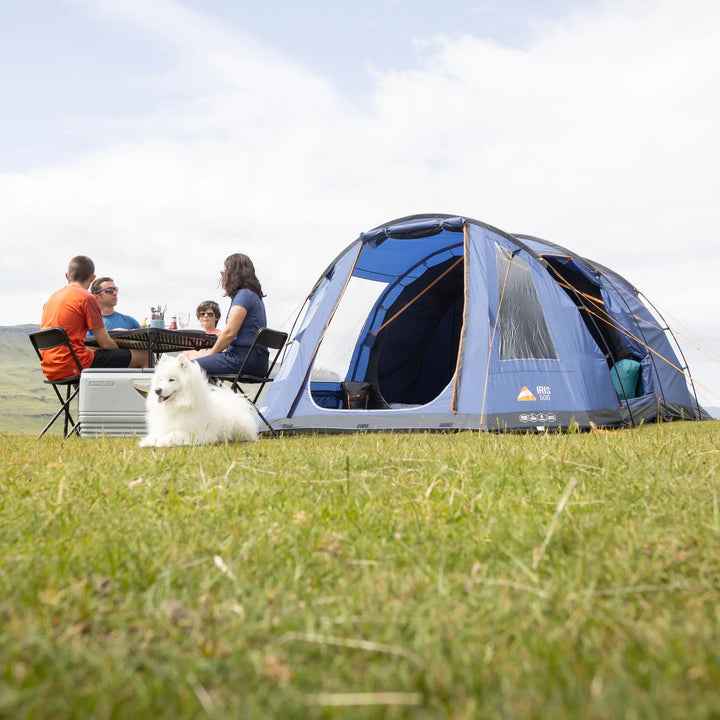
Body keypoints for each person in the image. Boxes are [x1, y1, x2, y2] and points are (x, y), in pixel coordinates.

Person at [40, 256, 148, 381]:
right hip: (75, 364)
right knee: (144, 356)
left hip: (50, 368)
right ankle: (139, 400)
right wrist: (124, 350)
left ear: (67, 276)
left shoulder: (51, 299)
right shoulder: (86, 297)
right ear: (92, 278)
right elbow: (105, 343)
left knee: (120, 358)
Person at [194, 254, 268, 377]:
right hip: (258, 361)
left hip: (242, 359)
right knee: (204, 373)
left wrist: (211, 354)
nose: (223, 275)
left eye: (225, 270)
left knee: (186, 368)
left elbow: (229, 333)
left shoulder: (244, 295)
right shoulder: (255, 296)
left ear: (234, 273)